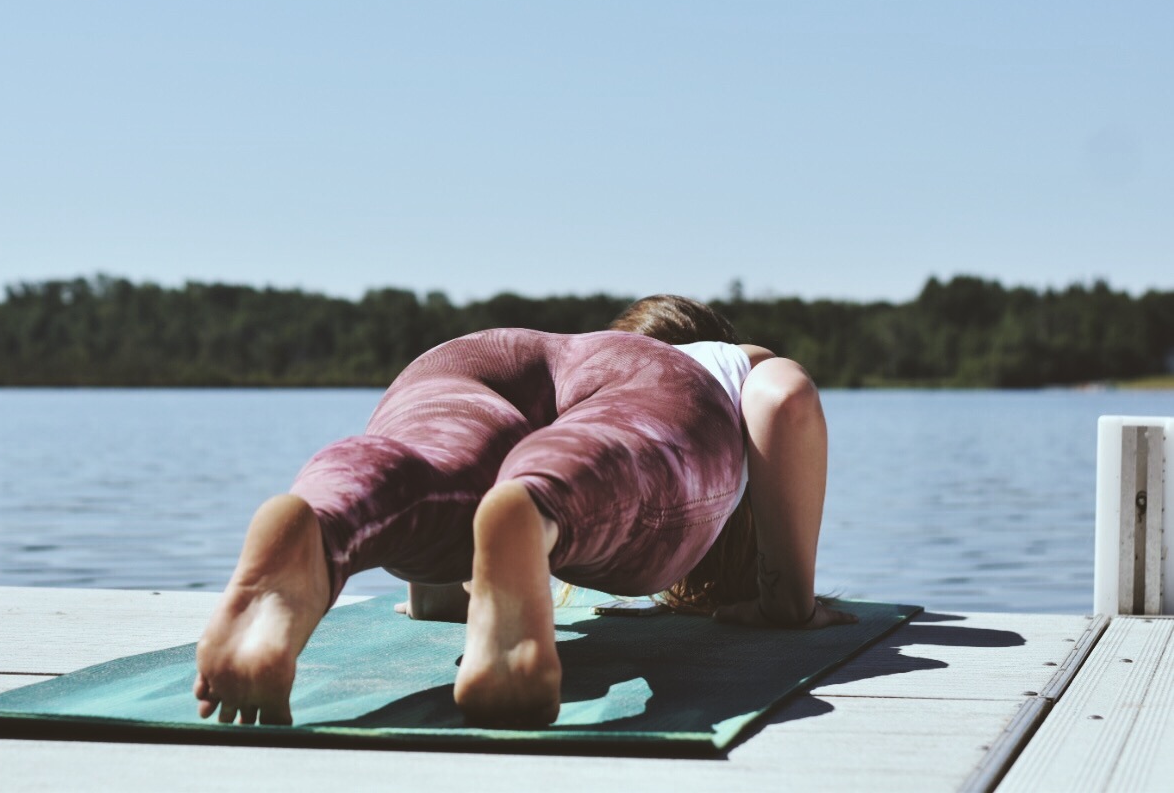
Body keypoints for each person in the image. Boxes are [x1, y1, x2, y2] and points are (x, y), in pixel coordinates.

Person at [193, 295, 856, 729]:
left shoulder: (571, 344)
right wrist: (786, 602)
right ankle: (537, 505)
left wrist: (443, 596)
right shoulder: (724, 364)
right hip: (648, 392)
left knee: (429, 469)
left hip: (469, 358)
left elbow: (441, 599)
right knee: (605, 461)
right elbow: (787, 402)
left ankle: (327, 518)